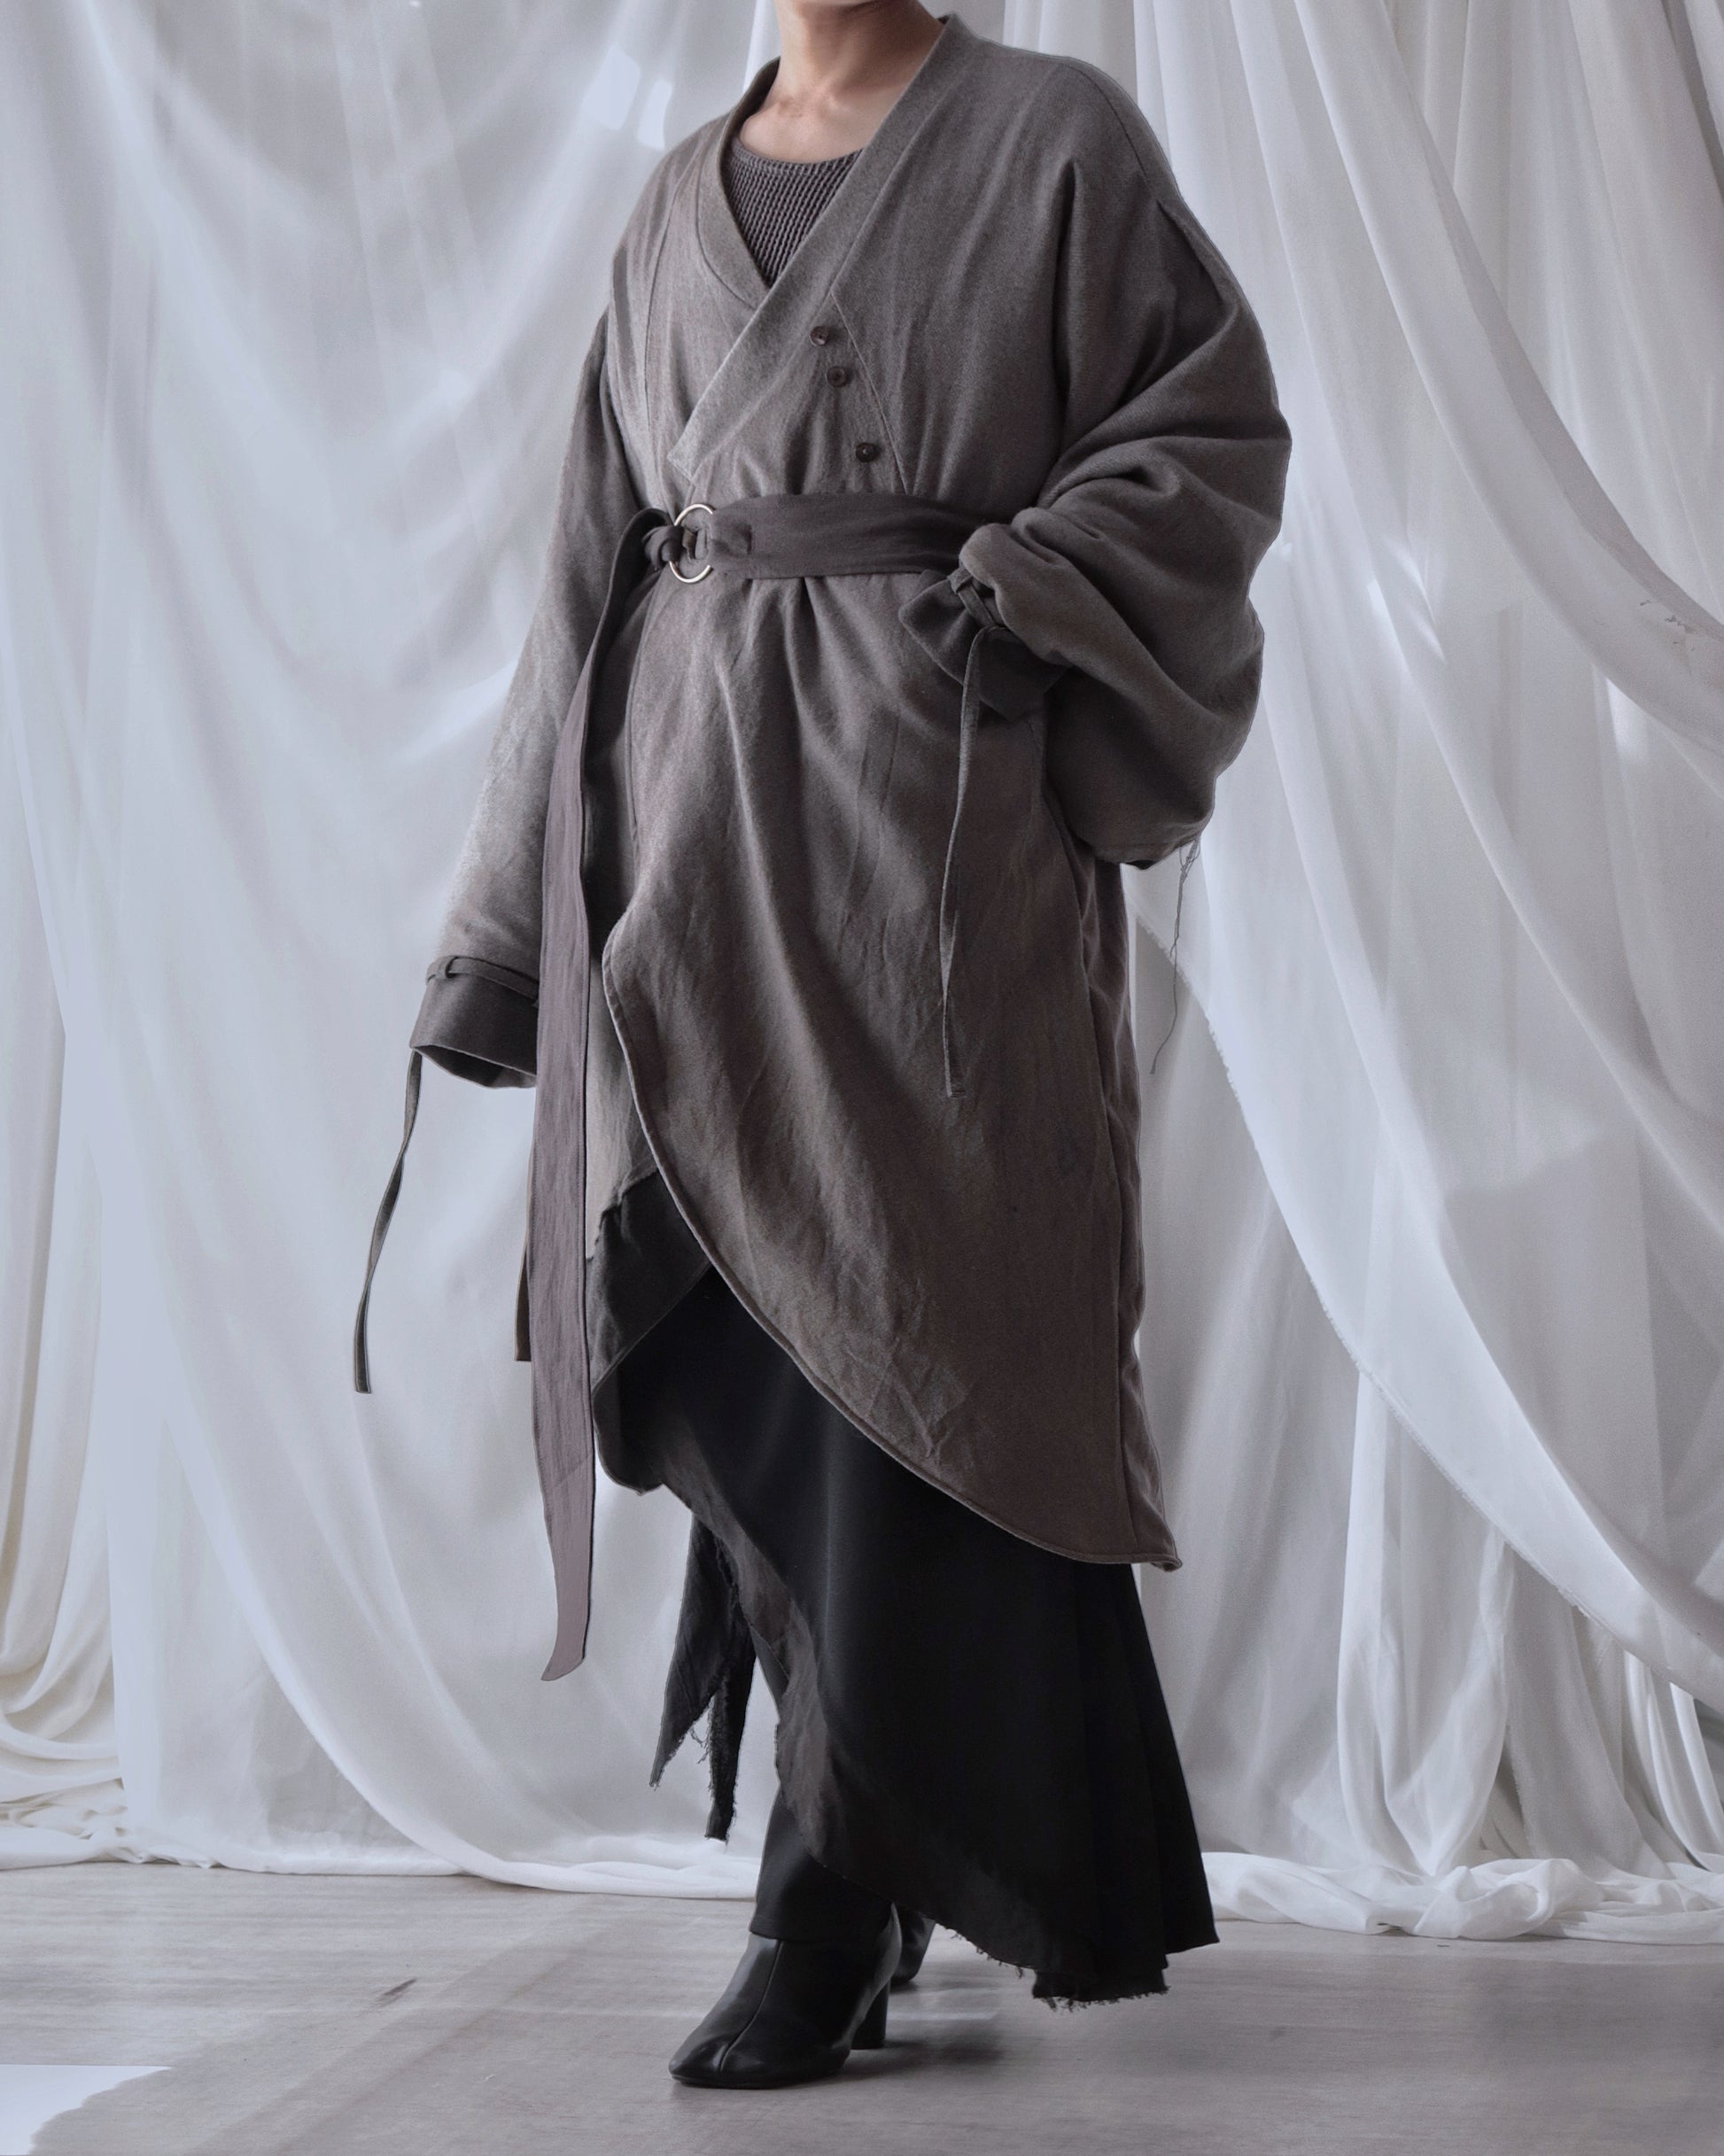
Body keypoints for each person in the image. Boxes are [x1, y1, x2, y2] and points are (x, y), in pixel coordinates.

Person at [354, 0, 1290, 2090]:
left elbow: (1210, 433)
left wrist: (1030, 589)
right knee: (750, 1360)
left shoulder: (1054, 142)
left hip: (924, 864)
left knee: (920, 1353)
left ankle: (838, 1886)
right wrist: (504, 940)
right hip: (689, 873)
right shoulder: (663, 211)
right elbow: (584, 578)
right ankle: (846, 1856)